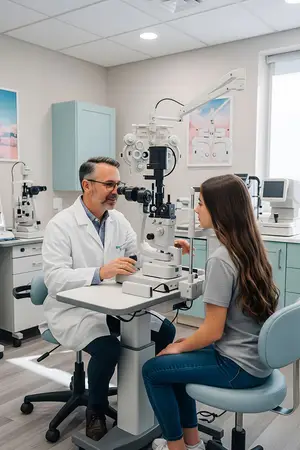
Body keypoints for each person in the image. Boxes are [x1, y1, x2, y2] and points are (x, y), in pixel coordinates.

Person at [42, 156, 188, 441]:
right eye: (109, 184)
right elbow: (54, 279)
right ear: (87, 185)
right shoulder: (60, 225)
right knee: (109, 350)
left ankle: (148, 392)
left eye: (118, 185)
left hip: (116, 304)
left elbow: (137, 255)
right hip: (74, 310)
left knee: (166, 331)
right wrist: (99, 272)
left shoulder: (118, 220)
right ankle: (95, 409)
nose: (116, 192)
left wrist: (167, 248)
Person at [142, 174, 280, 450]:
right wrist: (184, 348)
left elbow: (213, 330)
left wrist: (180, 349)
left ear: (220, 211)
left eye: (202, 204)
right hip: (256, 360)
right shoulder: (251, 249)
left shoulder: (221, 259)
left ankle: (176, 447)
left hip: (237, 366)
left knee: (153, 370)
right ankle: (193, 444)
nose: (196, 209)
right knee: (177, 362)